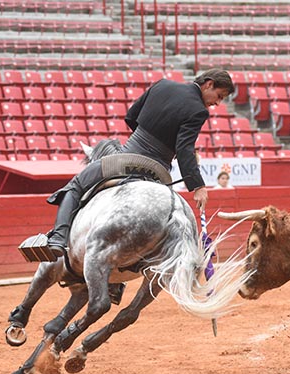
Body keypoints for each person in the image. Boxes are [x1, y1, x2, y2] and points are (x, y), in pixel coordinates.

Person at [42, 69, 235, 258]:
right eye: (219, 96)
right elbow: (184, 149)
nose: (217, 103)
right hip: (158, 171)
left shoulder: (162, 85)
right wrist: (198, 186)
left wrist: (142, 139)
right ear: (208, 84)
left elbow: (132, 116)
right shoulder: (198, 110)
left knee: (75, 186)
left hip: (124, 160)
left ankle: (58, 238)